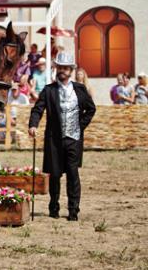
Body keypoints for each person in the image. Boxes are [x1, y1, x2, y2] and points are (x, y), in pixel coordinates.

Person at [29, 52, 96, 221]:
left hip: (73, 139)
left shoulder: (80, 89)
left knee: (73, 174)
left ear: (71, 70)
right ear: (56, 69)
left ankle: (73, 211)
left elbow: (91, 109)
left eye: (66, 68)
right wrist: (33, 125)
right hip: (54, 140)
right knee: (55, 174)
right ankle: (54, 207)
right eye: (60, 67)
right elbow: (38, 109)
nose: (63, 71)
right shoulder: (49, 90)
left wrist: (80, 126)